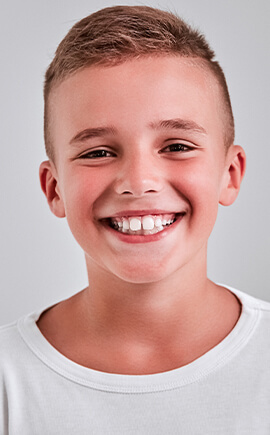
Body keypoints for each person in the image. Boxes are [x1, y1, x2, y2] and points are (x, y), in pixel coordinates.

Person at [1, 5, 269, 434]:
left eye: (177, 146)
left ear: (230, 174)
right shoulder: (8, 381)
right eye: (98, 153)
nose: (139, 182)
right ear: (54, 189)